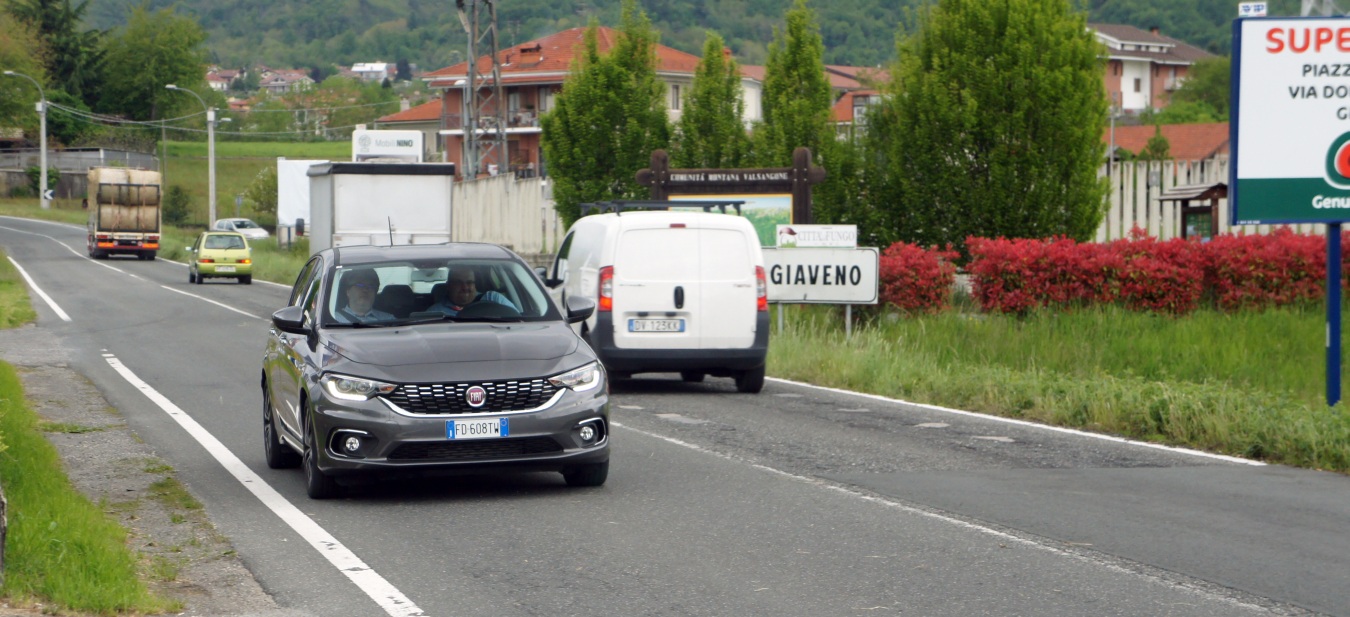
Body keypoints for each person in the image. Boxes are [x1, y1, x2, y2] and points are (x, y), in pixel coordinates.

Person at [427, 266, 517, 316]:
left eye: (469, 282)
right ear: (449, 286)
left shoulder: (494, 299)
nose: (465, 287)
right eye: (459, 283)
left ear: (475, 285)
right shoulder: (435, 313)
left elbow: (517, 319)